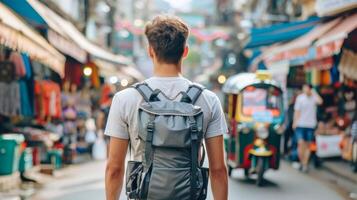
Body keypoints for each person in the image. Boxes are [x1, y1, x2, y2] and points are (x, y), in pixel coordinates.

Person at [104, 15, 228, 200]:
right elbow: (218, 170)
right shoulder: (208, 100)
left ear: (150, 51)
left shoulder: (125, 99)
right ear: (185, 52)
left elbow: (114, 168)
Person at [293, 84, 323, 172]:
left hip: (310, 125)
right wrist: (295, 122)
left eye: (307, 88)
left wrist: (314, 93)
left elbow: (320, 102)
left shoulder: (314, 98)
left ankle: (305, 164)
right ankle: (302, 162)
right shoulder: (300, 98)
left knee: (308, 146)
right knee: (301, 143)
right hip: (300, 124)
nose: (305, 90)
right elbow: (297, 111)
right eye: (304, 88)